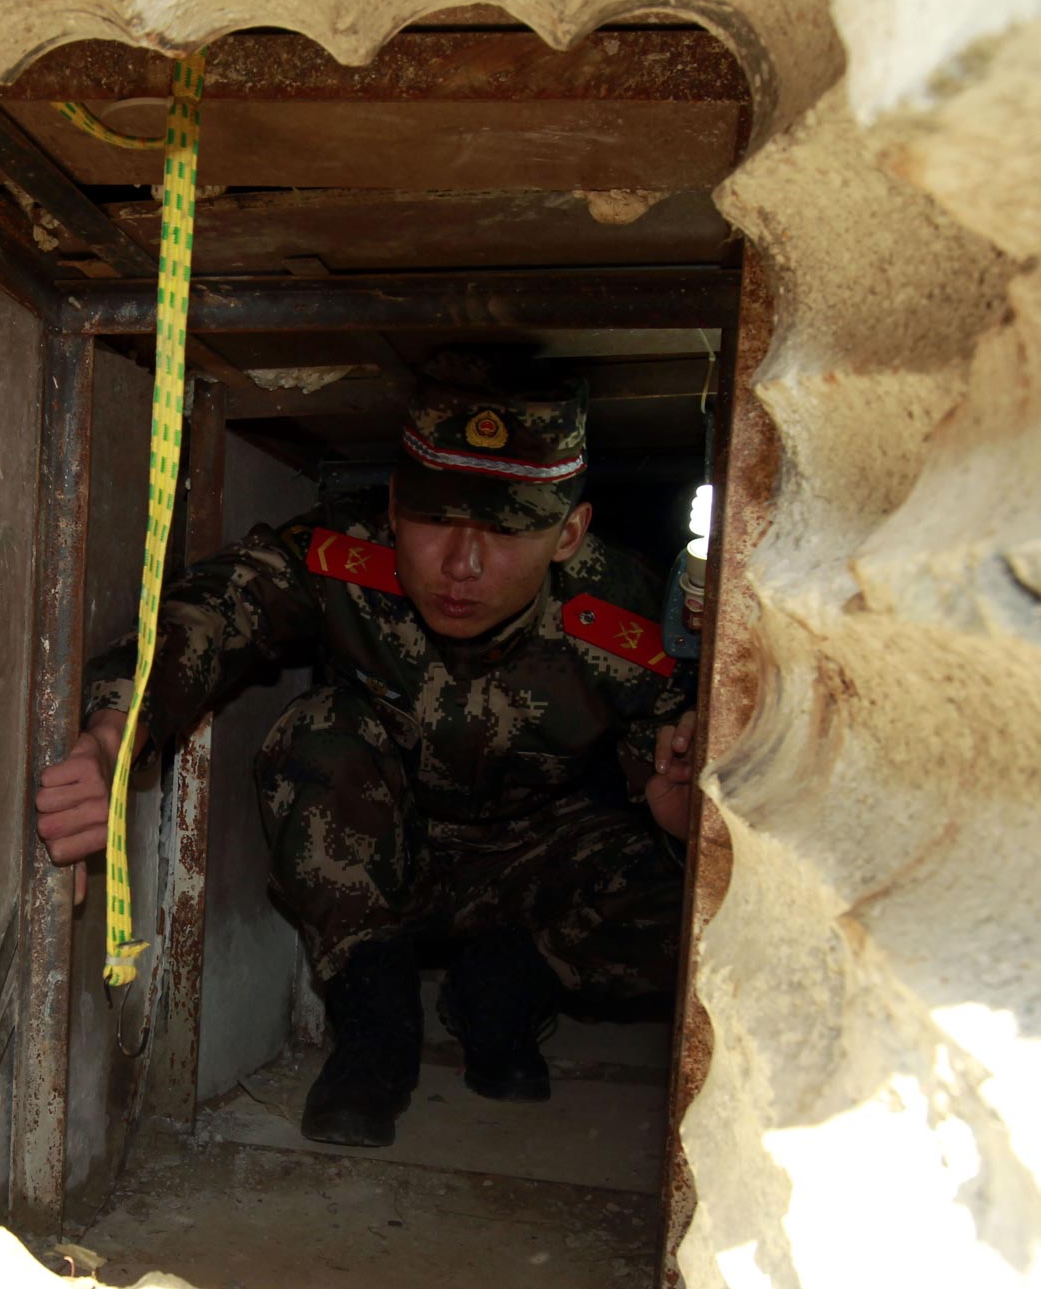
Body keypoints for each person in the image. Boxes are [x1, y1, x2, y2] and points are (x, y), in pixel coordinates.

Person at [34, 362, 698, 1147]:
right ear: (392, 504)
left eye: (507, 528)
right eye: (433, 517)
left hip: (543, 860)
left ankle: (511, 984)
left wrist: (690, 827)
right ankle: (377, 1030)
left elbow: (675, 762)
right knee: (313, 734)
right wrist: (114, 733)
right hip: (390, 848)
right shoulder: (345, 556)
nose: (462, 563)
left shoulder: (630, 621)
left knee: (710, 897)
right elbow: (211, 615)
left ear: (570, 535)